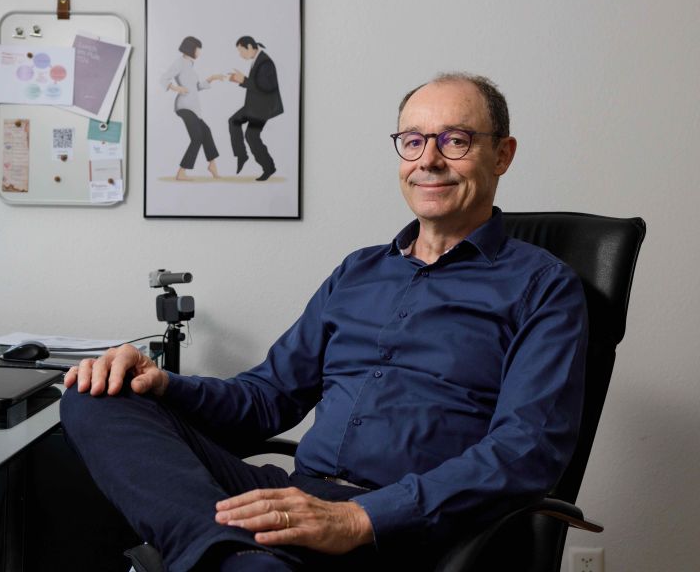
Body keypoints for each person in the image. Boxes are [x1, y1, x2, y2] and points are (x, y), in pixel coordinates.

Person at [60, 73, 588, 571]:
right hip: (299, 499)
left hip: (407, 528)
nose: (429, 160)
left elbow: (525, 452)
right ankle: (238, 558)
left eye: (456, 141)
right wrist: (161, 386)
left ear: (503, 154)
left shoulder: (544, 287)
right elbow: (266, 399)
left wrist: (360, 518)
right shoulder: (358, 271)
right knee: (95, 396)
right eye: (413, 141)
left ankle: (238, 558)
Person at [161, 36, 226, 181]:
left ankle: (212, 165)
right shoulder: (180, 63)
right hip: (184, 106)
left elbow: (196, 87)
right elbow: (163, 79)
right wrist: (177, 88)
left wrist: (212, 78)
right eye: (198, 49)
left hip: (193, 107)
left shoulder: (189, 64)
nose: (199, 52)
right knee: (197, 137)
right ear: (191, 48)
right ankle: (182, 172)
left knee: (206, 132)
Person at [227, 36, 283, 181]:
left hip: (264, 107)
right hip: (253, 105)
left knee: (251, 136)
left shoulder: (265, 62)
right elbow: (257, 84)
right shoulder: (258, 59)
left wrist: (243, 80)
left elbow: (264, 87)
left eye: (241, 51)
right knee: (234, 121)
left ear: (250, 47)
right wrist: (241, 80)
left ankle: (269, 167)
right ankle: (242, 155)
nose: (240, 55)